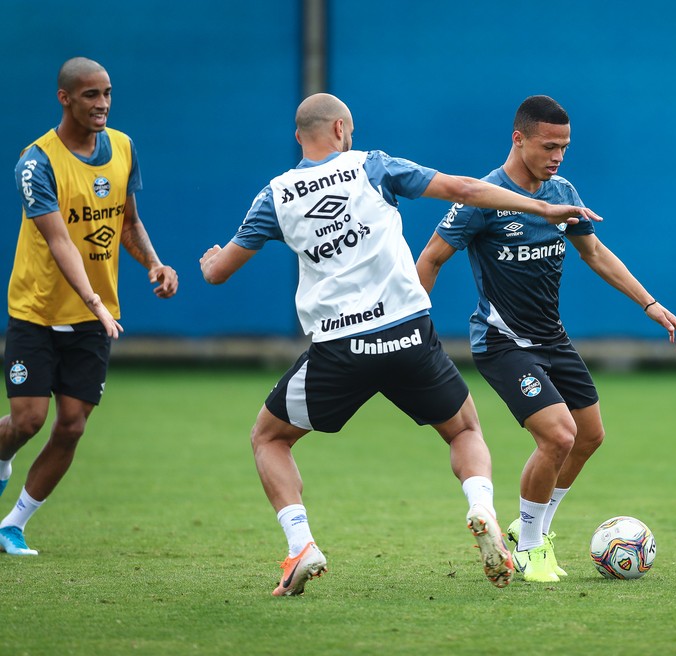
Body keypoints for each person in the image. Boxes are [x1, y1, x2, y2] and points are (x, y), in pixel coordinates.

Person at [199, 92, 600, 596]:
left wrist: (209, 260)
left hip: (340, 347)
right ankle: (480, 508)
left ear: (299, 136)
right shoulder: (374, 166)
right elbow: (462, 188)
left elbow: (219, 273)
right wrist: (541, 205)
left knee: (269, 439)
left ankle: (301, 545)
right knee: (463, 431)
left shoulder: (275, 196)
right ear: (343, 129)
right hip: (409, 334)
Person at [416, 95, 676, 583]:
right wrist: (411, 322)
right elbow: (432, 258)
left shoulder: (561, 190)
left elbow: (596, 253)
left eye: (564, 146)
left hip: (552, 340)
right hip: (501, 342)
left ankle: (527, 528)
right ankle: (533, 548)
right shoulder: (482, 197)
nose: (557, 156)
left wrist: (649, 303)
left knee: (589, 437)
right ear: (518, 139)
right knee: (559, 435)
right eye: (548, 145)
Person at [0, 57, 179, 556]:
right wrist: (97, 302)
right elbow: (59, 242)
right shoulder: (36, 163)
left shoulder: (122, 147)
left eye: (107, 94)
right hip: (37, 312)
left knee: (73, 424)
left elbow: (126, 222)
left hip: (93, 320)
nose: (101, 104)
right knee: (28, 420)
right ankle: (1, 462)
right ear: (65, 98)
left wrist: (154, 264)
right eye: (89, 95)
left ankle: (12, 524)